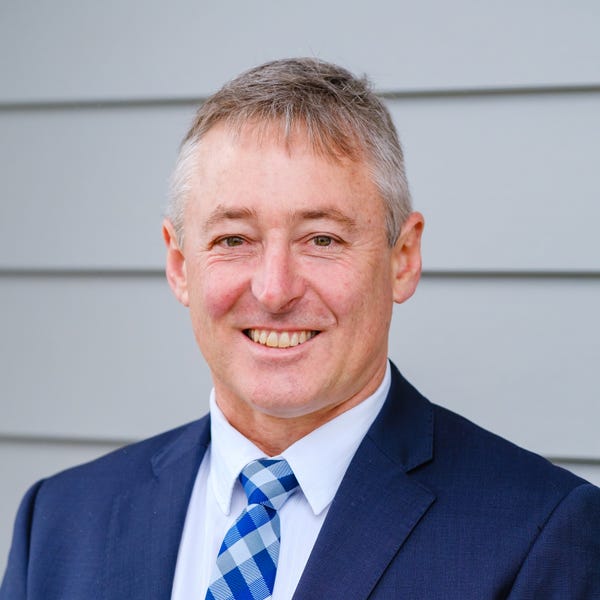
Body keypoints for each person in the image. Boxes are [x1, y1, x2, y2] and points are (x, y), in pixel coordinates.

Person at [2, 58, 599, 600]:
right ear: (180, 264)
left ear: (403, 258)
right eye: (233, 239)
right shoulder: (58, 521)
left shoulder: (540, 535)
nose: (275, 289)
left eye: (322, 239)